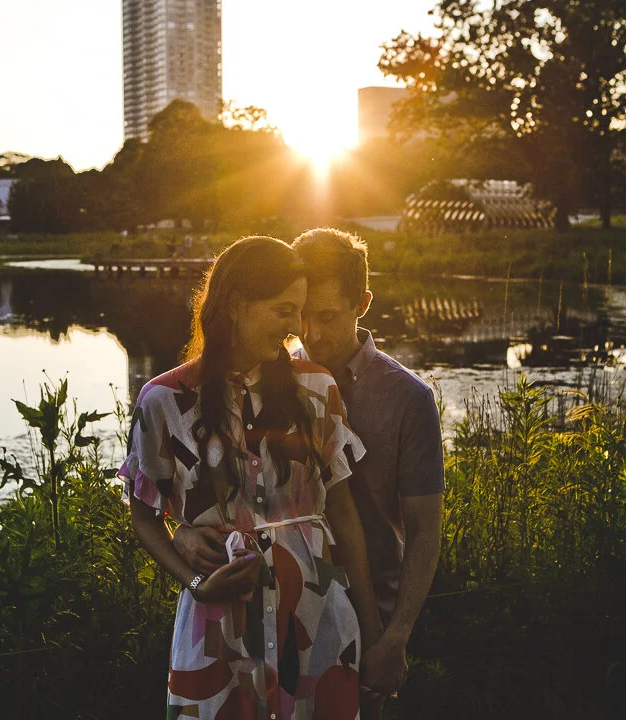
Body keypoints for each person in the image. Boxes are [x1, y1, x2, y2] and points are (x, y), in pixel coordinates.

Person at [175, 229, 444, 718]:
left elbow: (425, 529)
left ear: (362, 304)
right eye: (299, 315)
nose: (311, 334)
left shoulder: (409, 399)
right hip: (276, 612)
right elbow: (234, 491)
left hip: (372, 614)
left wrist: (395, 636)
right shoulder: (268, 379)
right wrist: (184, 532)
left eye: (327, 316)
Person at [122, 236, 383, 719]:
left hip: (317, 619)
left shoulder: (316, 389)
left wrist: (372, 628)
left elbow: (343, 511)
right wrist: (195, 581)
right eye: (284, 310)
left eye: (299, 311)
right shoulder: (163, 400)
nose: (296, 327)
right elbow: (143, 517)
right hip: (218, 625)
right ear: (237, 306)